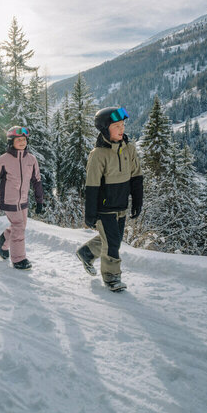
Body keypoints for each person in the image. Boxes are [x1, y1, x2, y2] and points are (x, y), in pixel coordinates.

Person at [76, 106, 143, 291]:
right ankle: (112, 277)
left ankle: (86, 252)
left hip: (121, 204)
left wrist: (137, 201)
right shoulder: (98, 155)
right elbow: (92, 186)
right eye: (117, 126)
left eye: (123, 125)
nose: (122, 129)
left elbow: (137, 177)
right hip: (104, 208)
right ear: (105, 129)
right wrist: (90, 214)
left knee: (114, 239)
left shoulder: (129, 149)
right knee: (113, 244)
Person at [0, 126, 44, 270]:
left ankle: (2, 243)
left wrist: (39, 201)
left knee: (19, 226)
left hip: (23, 200)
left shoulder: (31, 159)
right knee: (19, 227)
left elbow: (37, 181)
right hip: (9, 200)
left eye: (24, 140)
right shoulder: (2, 160)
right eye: (19, 140)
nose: (22, 142)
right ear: (11, 142)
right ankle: (18, 259)